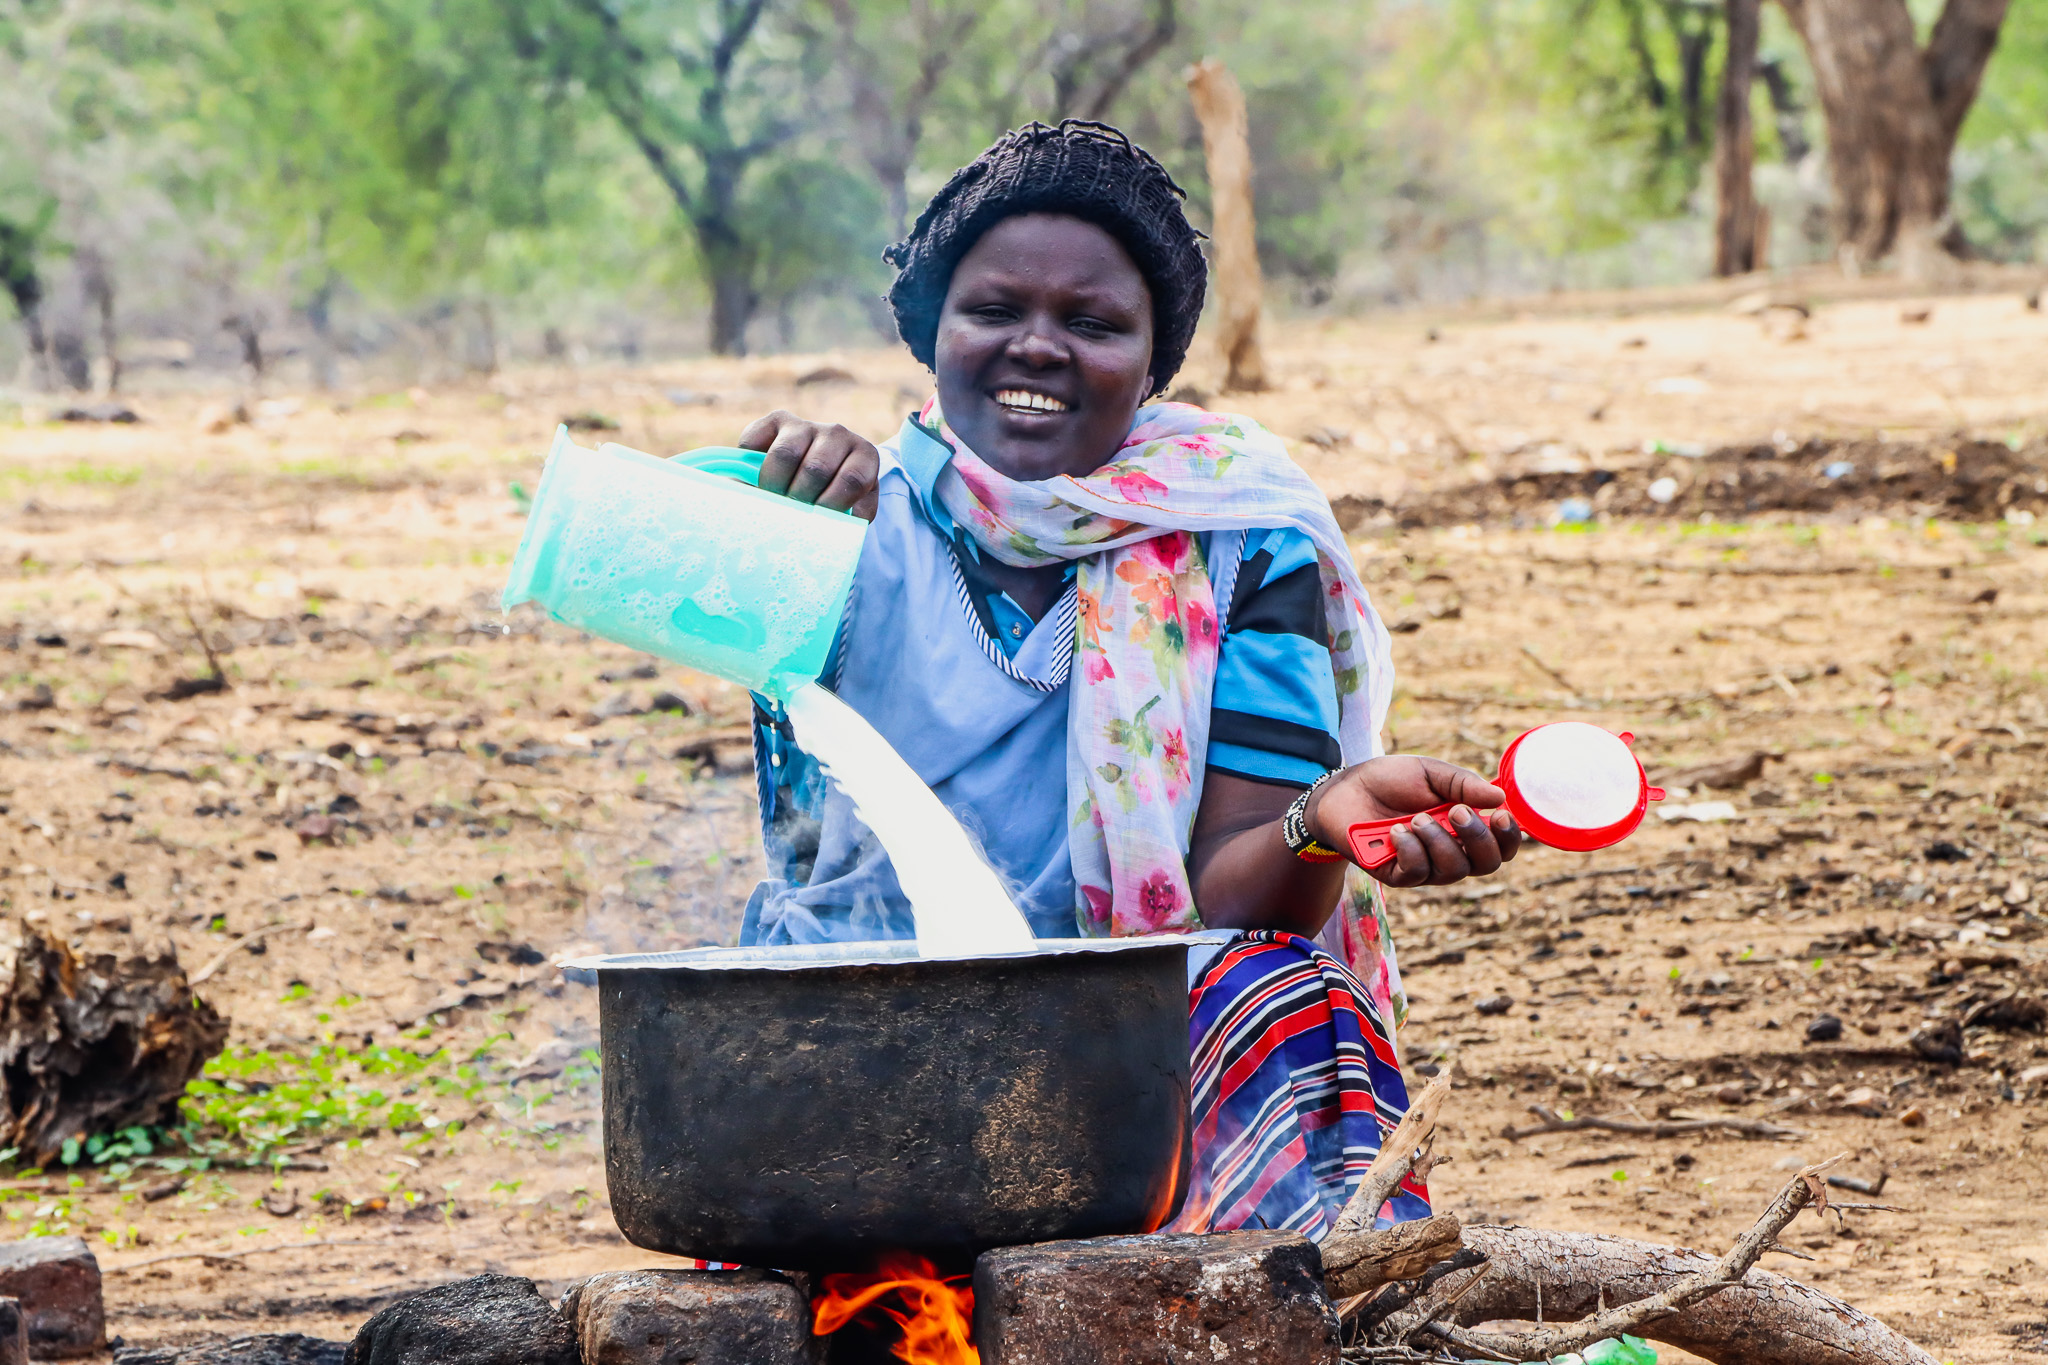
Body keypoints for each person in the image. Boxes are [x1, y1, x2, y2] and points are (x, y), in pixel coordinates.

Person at [732, 120, 1519, 1237]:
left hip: (1124, 1042)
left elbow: (1240, 899)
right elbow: (621, 565)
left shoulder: (1241, 541)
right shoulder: (835, 519)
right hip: (877, 1019)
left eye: (1092, 323)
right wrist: (746, 505)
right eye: (993, 311)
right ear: (929, 331)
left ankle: (1301, 1309)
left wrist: (1320, 820)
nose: (1037, 349)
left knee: (1287, 993)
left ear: (1153, 363)